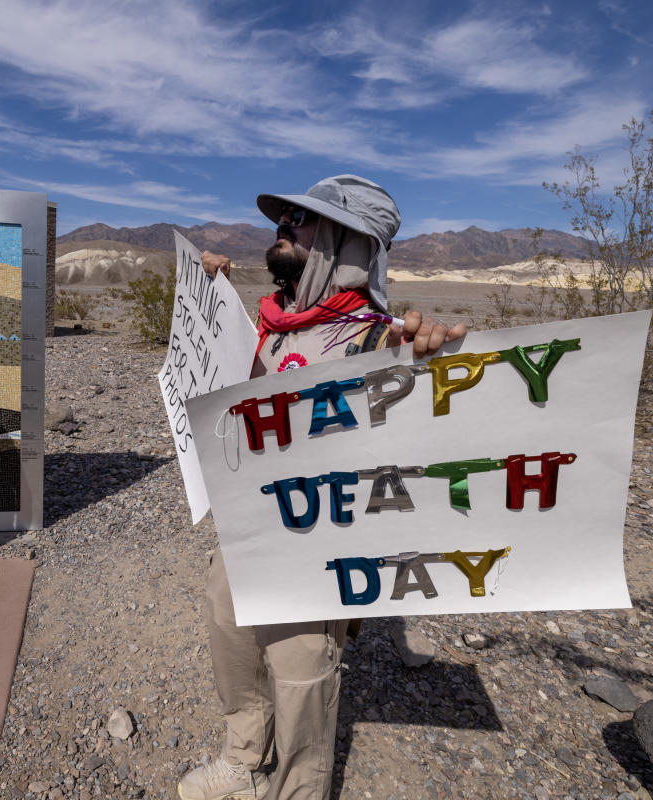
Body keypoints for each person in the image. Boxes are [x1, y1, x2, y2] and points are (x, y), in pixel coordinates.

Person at [179, 175, 467, 800]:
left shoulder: (376, 337)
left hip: (318, 528)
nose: (282, 227)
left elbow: (413, 427)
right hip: (248, 512)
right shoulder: (278, 322)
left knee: (299, 661)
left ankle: (298, 791)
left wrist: (425, 364)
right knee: (230, 628)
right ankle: (244, 757)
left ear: (346, 245)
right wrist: (208, 296)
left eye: (301, 221)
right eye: (283, 218)